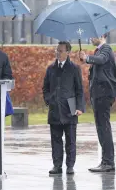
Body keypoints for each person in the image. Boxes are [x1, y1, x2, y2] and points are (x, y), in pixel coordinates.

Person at [43, 41, 85, 175]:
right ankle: (57, 165)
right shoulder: (50, 68)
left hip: (71, 107)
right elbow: (45, 88)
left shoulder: (74, 68)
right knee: (55, 140)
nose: (58, 53)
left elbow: (79, 90)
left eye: (61, 51)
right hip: (55, 108)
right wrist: (49, 100)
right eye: (57, 50)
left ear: (68, 52)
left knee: (71, 140)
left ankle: (70, 166)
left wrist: (79, 107)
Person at [80, 34, 116, 172]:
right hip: (99, 94)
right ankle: (106, 161)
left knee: (103, 127)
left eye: (93, 35)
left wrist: (87, 58)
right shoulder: (100, 50)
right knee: (101, 128)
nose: (90, 38)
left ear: (102, 35)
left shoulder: (106, 49)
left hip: (103, 94)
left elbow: (101, 60)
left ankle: (108, 162)